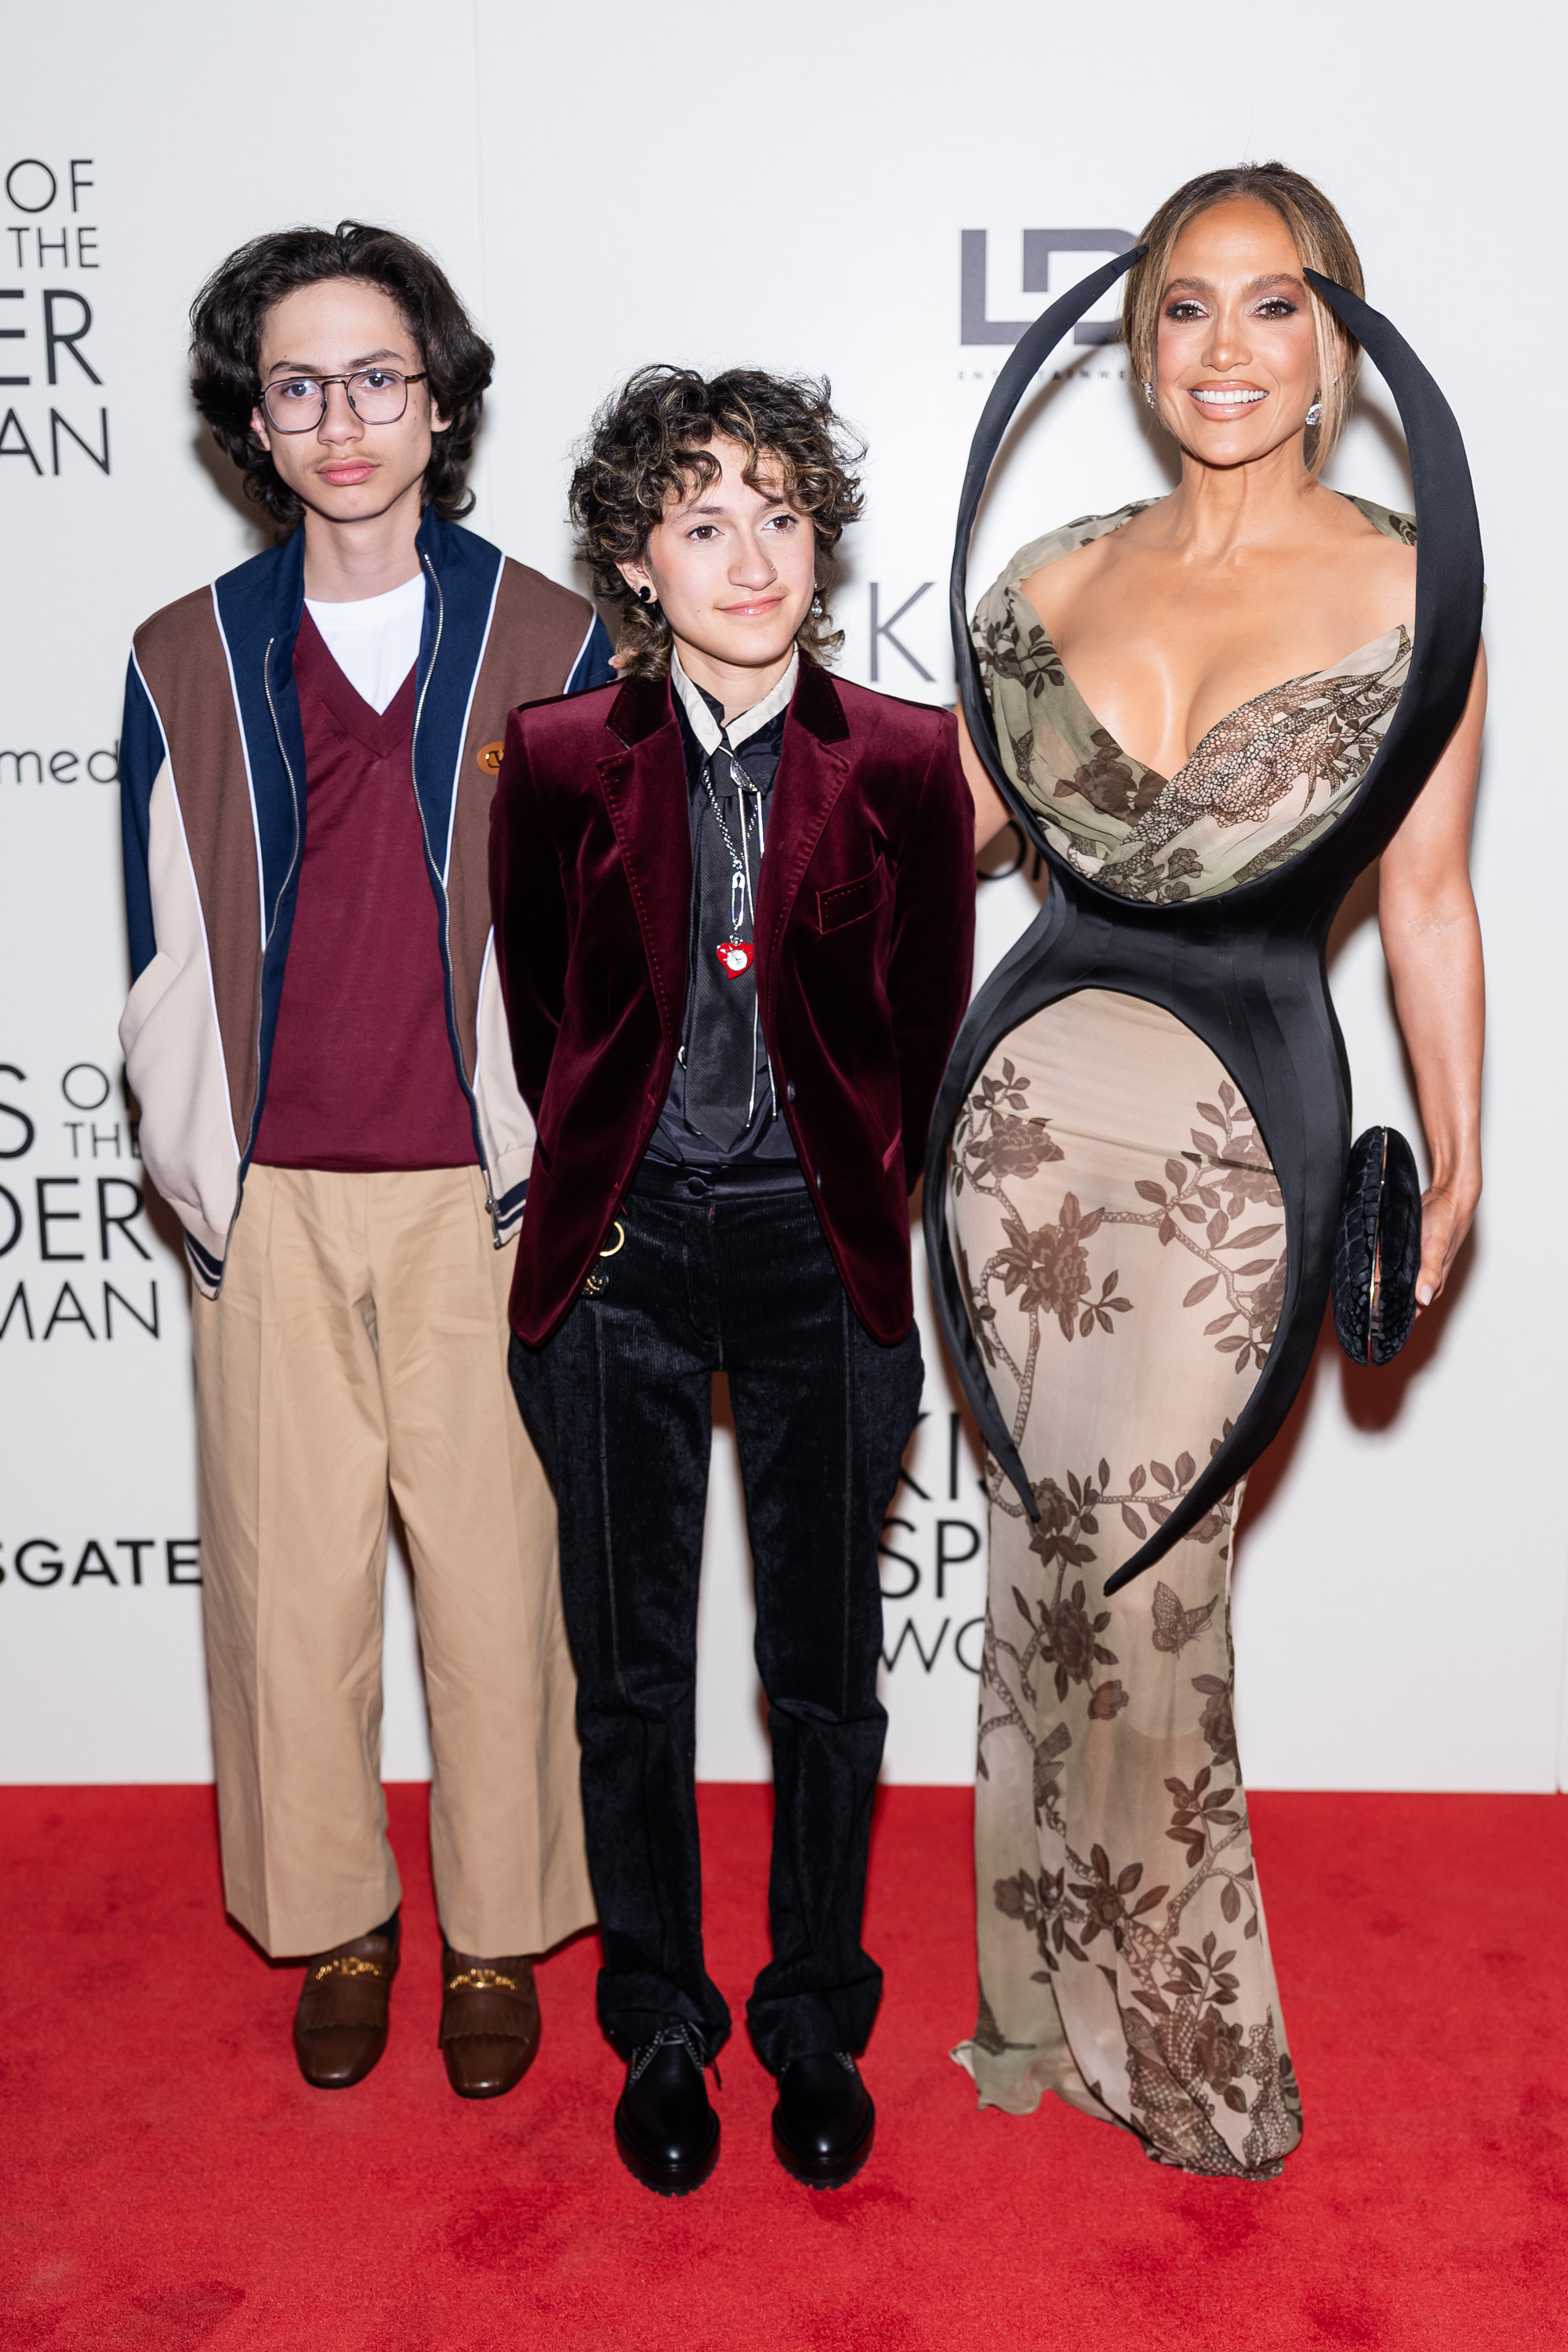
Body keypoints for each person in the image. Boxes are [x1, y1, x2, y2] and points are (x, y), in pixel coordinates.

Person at [934, 165, 1484, 2177]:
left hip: (1236, 1143)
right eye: (1184, 308)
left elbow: (1423, 907)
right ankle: (1036, 2009)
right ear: (1138, 339)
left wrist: (1463, 1157)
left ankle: (1182, 2047)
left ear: (1342, 339)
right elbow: (952, 853)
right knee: (1037, 1564)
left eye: (1275, 306)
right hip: (1011, 1130)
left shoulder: (1417, 586)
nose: (1227, 349)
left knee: (1154, 1575)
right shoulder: (1054, 570)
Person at [118, 222, 611, 2098]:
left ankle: (496, 1932)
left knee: (499, 1590)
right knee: (287, 1585)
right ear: (255, 416)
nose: (342, 419)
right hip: (268, 1200)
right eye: (300, 383)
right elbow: (156, 942)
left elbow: (610, 950)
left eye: (377, 378)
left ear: (439, 398)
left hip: (486, 1202)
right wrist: (198, 1166)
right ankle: (338, 1914)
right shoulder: (186, 653)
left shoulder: (557, 639)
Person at [491, 366, 975, 2194]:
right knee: (627, 1673)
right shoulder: (552, 761)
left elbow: (920, 1034)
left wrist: (832, 1184)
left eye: (779, 511)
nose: (749, 553)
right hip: (617, 1255)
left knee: (825, 1672)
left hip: (818, 1250)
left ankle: (810, 2022)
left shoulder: (911, 759)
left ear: (821, 537)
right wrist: (628, 1173)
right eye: (703, 520)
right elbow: (550, 1019)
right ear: (637, 560)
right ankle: (665, 2026)